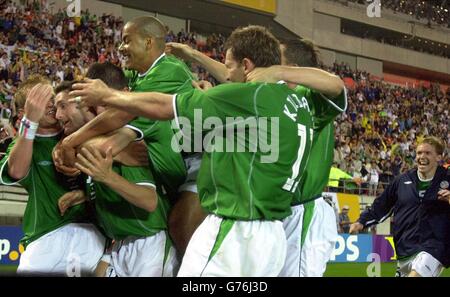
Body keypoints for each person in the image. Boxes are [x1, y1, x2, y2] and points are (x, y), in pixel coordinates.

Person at [69, 25, 314, 277]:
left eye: (229, 66)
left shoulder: (245, 95)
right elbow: (334, 85)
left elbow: (164, 105)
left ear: (247, 65)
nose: (226, 75)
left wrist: (107, 95)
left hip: (235, 228)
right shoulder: (296, 103)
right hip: (271, 235)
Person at [167, 37, 346, 277]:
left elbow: (336, 85)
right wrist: (194, 54)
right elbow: (238, 75)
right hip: (274, 213)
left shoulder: (304, 96)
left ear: (289, 70)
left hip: (303, 211)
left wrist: (276, 72)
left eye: (273, 63)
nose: (264, 67)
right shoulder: (274, 95)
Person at [55, 16, 202, 257]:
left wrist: (71, 142)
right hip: (176, 160)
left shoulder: (170, 71)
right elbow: (116, 99)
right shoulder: (137, 75)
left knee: (180, 225)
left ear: (148, 42)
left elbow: (120, 113)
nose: (121, 48)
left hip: (199, 159)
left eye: (126, 41)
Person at [54, 74, 177, 277]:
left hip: (148, 240)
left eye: (92, 106)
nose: (59, 115)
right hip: (119, 243)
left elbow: (149, 201)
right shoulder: (89, 146)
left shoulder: (125, 143)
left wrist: (108, 177)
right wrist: (84, 195)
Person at [0, 75, 105, 276]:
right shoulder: (23, 145)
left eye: (52, 98)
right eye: (40, 101)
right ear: (24, 112)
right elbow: (16, 171)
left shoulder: (78, 132)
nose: (50, 105)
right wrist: (29, 122)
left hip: (92, 233)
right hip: (45, 236)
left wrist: (84, 194)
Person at [350, 136, 450, 277]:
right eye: (419, 153)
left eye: (428, 153)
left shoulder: (447, 178)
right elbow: (381, 205)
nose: (422, 156)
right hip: (405, 248)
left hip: (434, 247)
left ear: (439, 157)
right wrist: (361, 221)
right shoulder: (402, 180)